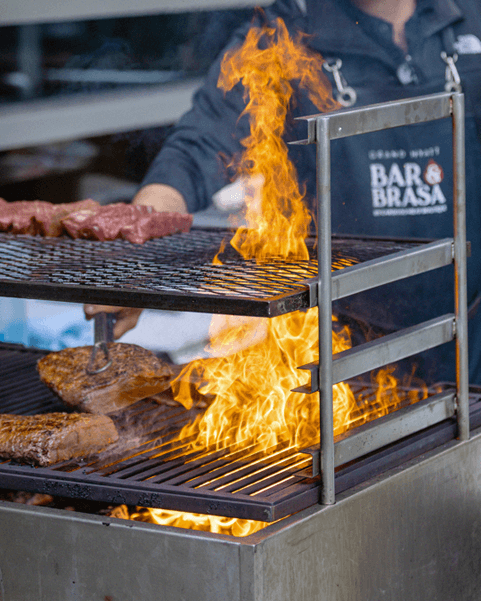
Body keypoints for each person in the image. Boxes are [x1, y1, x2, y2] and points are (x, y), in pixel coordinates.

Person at [85, 0, 481, 385]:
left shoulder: (471, 18)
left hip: (470, 333)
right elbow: (198, 149)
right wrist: (139, 245)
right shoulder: (281, 31)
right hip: (342, 352)